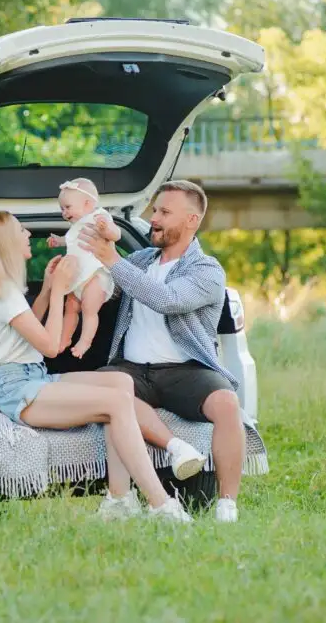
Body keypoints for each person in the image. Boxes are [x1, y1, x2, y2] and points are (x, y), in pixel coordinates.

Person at [0, 210, 198, 522]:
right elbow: (49, 344)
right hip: (15, 390)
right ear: (4, 242)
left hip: (32, 379)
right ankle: (161, 504)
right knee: (115, 402)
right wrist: (59, 291)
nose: (28, 235)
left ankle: (118, 499)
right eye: (21, 231)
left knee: (121, 384)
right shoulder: (3, 292)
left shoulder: (2, 289)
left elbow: (30, 325)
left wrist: (46, 290)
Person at [79, 180, 246, 523]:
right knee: (102, 389)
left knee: (228, 404)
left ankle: (227, 504)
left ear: (191, 220)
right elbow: (106, 289)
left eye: (164, 212)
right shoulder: (140, 260)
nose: (153, 218)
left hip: (186, 369)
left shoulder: (207, 270)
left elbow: (167, 300)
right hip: (132, 369)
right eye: (154, 210)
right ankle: (172, 450)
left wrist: (113, 260)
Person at [45, 178, 118, 359]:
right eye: (62, 208)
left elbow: (116, 234)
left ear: (88, 204)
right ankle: (64, 338)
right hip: (77, 276)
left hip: (96, 275)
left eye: (67, 207)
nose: (64, 212)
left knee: (88, 307)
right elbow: (72, 239)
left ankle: (85, 341)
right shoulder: (75, 226)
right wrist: (58, 241)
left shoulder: (99, 217)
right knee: (70, 307)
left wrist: (106, 229)